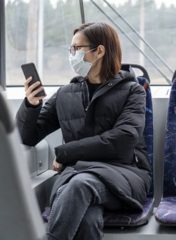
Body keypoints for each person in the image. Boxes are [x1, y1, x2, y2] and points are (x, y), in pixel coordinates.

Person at [16, 22, 151, 240]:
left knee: (81, 185)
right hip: (76, 175)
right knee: (87, 218)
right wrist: (31, 105)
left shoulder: (133, 91)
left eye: (76, 48)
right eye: (70, 49)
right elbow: (27, 136)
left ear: (99, 51)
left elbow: (123, 140)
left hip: (124, 174)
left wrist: (65, 153)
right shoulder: (65, 93)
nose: (72, 55)